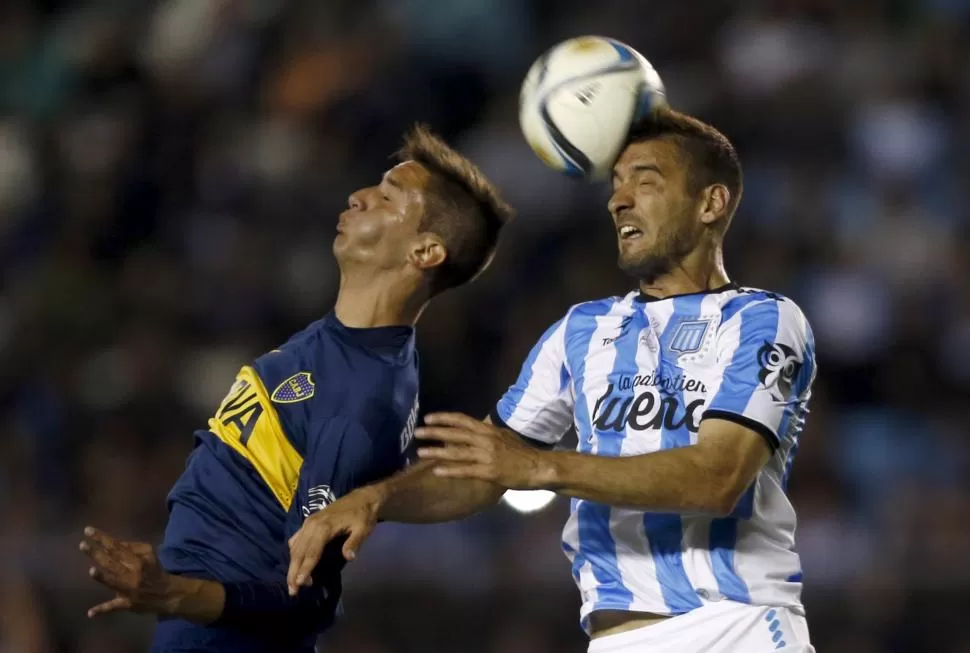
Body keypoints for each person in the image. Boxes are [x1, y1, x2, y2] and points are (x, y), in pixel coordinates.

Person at [287, 108, 818, 653]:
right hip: (613, 639)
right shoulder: (582, 331)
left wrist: (540, 466)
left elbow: (717, 478)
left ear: (711, 203)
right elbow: (483, 471)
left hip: (734, 628)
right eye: (616, 184)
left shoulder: (764, 319)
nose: (619, 200)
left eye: (646, 181)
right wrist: (375, 500)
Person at [78, 125, 513, 653]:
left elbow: (308, 600)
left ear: (425, 250)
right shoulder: (332, 340)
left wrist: (172, 593)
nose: (359, 197)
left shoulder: (365, 398)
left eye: (386, 198)